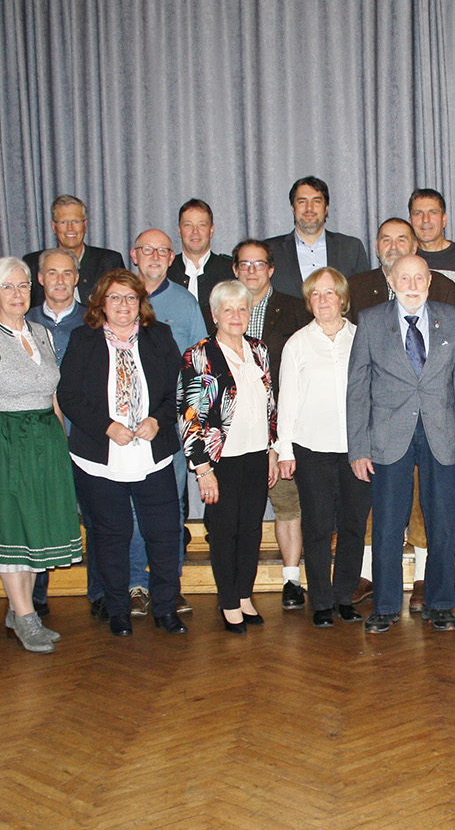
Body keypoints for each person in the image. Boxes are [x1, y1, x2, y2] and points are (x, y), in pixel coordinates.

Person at [0, 257, 82, 654]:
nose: (17, 293)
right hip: (4, 441)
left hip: (43, 441)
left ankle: (20, 610)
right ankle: (26, 616)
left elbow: (52, 394)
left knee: (32, 531)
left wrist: (60, 441)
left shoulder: (41, 334)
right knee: (11, 528)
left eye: (23, 285)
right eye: (7, 287)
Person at [347, 255, 455, 634]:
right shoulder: (371, 321)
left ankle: (440, 603)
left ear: (429, 280)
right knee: (388, 525)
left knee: (441, 523)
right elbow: (357, 390)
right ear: (391, 279)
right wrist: (358, 448)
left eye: (419, 277)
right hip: (388, 437)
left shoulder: (451, 318)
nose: (412, 284)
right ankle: (386, 605)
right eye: (404, 277)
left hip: (442, 436)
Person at [59, 270, 188, 637]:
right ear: (101, 303)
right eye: (114, 298)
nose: (123, 305)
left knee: (164, 534)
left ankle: (165, 608)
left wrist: (158, 421)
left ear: (140, 303)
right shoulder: (83, 340)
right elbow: (69, 396)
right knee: (111, 535)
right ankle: (117, 611)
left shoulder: (158, 336)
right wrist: (107, 425)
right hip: (100, 457)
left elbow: (175, 391)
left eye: (130, 298)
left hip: (152, 455)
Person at [180, 279, 278, 635]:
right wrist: (202, 468)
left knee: (251, 530)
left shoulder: (259, 349)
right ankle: (227, 602)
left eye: (242, 309)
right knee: (224, 531)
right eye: (228, 310)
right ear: (214, 314)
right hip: (220, 460)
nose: (236, 316)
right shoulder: (199, 355)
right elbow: (190, 416)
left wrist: (272, 449)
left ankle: (244, 594)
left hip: (255, 454)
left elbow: (269, 405)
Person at [276, 268, 370, 627]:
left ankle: (344, 596)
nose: (323, 300)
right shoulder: (298, 342)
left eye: (329, 293)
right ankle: (320, 600)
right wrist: (285, 449)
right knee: (316, 527)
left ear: (343, 299)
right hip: (311, 447)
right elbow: (288, 401)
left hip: (356, 448)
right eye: (315, 294)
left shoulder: (362, 338)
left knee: (352, 525)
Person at [126, 228, 206, 615]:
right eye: (147, 250)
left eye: (162, 251)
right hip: (122, 428)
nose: (154, 256)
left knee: (168, 509)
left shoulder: (185, 303)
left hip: (168, 425)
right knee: (130, 510)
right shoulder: (118, 298)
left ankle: (167, 585)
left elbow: (200, 364)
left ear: (172, 258)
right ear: (134, 255)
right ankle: (134, 585)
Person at [233, 238, 310, 609]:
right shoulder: (222, 309)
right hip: (232, 433)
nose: (251, 270)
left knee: (287, 505)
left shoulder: (295, 310)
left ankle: (291, 580)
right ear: (235, 270)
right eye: (244, 264)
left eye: (258, 264)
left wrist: (285, 435)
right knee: (236, 512)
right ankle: (235, 586)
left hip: (281, 427)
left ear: (271, 269)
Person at [24, 246, 84, 618]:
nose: (60, 280)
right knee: (39, 511)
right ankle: (35, 596)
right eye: (52, 273)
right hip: (39, 432)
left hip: (88, 431)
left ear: (77, 279)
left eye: (67, 273)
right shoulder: (21, 320)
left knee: (95, 513)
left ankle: (100, 593)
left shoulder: (94, 321)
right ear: (40, 279)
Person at [264, 176, 369, 297]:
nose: (309, 208)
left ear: (326, 208)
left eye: (316, 201)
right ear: (293, 208)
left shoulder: (352, 248)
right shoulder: (269, 250)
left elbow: (363, 296)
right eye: (302, 202)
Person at [25, 194, 126, 306]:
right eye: (63, 222)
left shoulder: (109, 262)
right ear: (53, 227)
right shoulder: (33, 263)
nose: (70, 228)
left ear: (85, 225)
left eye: (76, 221)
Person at [348, 217, 455, 317]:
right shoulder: (355, 288)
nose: (393, 247)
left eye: (401, 240)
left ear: (414, 247)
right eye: (386, 240)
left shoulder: (443, 288)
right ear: (377, 247)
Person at [167, 198, 235, 331]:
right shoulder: (166, 270)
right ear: (179, 231)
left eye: (202, 225)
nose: (195, 231)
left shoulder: (230, 271)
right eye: (188, 225)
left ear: (211, 230)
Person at [408, 188, 455, 308]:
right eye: (418, 213)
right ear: (410, 221)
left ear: (444, 220)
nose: (425, 219)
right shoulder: (405, 260)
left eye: (433, 212)